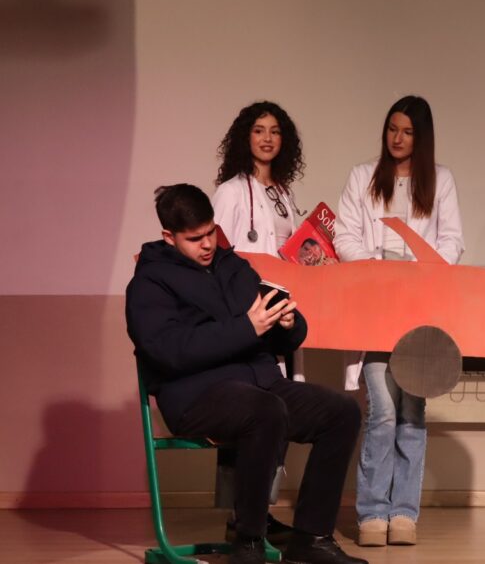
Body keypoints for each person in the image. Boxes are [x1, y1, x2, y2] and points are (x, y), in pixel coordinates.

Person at [126, 184, 367, 564]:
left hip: (261, 383)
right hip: (195, 396)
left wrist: (288, 323)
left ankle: (312, 537)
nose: (208, 244)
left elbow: (274, 327)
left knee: (342, 412)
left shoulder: (232, 266)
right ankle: (249, 542)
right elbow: (168, 351)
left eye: (210, 232)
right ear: (169, 237)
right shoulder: (149, 282)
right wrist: (246, 328)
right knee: (265, 410)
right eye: (195, 239)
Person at [333, 95, 464, 547]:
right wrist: (377, 268)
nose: (397, 138)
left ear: (421, 137)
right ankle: (372, 513)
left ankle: (404, 514)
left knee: (412, 410)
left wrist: (417, 272)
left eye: (407, 131)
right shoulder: (362, 176)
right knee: (382, 410)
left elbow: (452, 241)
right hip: (375, 307)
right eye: (392, 128)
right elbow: (344, 235)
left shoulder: (441, 180)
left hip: (420, 310)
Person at [212, 100, 308, 380]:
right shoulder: (231, 191)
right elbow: (216, 252)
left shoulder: (284, 193)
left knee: (286, 378)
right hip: (247, 302)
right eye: (259, 130)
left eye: (275, 132)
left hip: (282, 301)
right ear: (246, 137)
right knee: (258, 378)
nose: (267, 138)